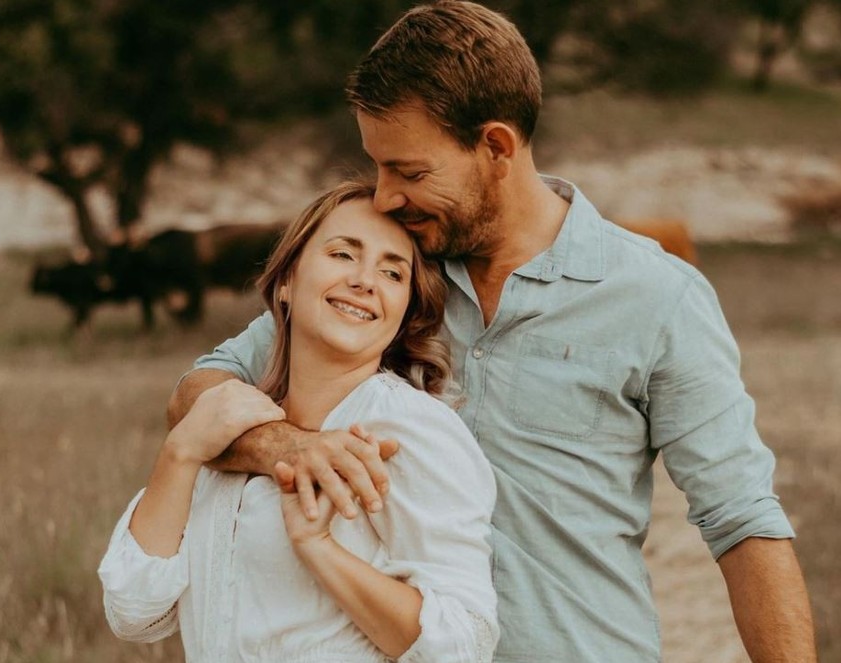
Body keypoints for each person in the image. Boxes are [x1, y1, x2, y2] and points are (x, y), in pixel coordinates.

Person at [169, 2, 817, 661]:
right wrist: (291, 447)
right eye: (378, 166)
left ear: (497, 147)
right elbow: (197, 394)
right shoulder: (385, 277)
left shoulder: (659, 297)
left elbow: (741, 523)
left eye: (410, 171)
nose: (386, 197)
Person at [99, 181, 499, 662]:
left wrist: (320, 548)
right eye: (343, 254)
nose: (365, 281)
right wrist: (181, 452)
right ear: (286, 280)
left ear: (405, 310)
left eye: (393, 273)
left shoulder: (411, 430)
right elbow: (134, 614)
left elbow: (463, 643)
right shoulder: (233, 422)